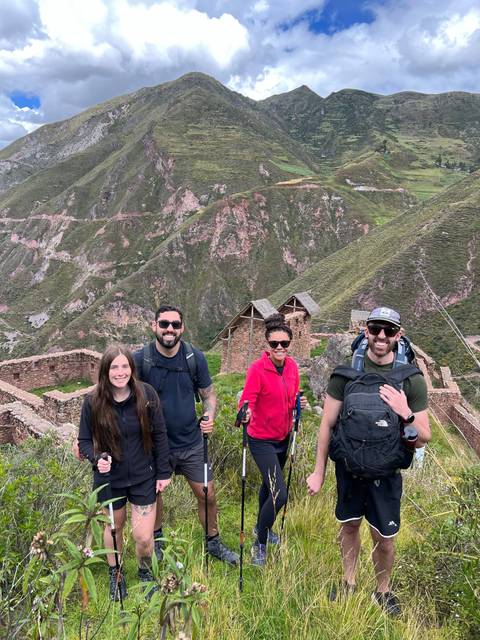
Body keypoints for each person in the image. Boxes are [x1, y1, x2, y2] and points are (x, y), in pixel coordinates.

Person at [306, 306, 430, 616]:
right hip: (348, 469)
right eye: (375, 329)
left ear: (397, 336)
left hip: (385, 473)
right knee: (349, 528)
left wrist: (406, 412)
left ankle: (382, 591)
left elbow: (424, 435)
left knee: (384, 538)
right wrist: (318, 472)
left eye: (389, 331)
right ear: (366, 331)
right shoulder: (346, 375)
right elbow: (327, 425)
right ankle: (348, 583)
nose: (381, 336)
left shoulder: (411, 381)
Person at [134, 304, 238, 566]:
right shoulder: (141, 359)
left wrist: (210, 414)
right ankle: (157, 545)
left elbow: (208, 393)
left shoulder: (194, 358)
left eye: (175, 325)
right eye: (164, 324)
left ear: (182, 328)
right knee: (155, 497)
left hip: (191, 441)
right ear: (154, 326)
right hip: (155, 445)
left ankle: (212, 542)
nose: (170, 329)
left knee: (207, 493)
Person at [78, 345, 171, 601]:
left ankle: (145, 572)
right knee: (114, 529)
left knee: (143, 536)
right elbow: (84, 441)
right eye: (114, 367)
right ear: (105, 371)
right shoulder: (93, 401)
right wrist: (97, 459)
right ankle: (115, 573)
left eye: (125, 366)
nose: (120, 372)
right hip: (109, 480)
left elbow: (160, 434)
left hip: (143, 475)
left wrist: (163, 472)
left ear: (132, 368)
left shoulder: (146, 395)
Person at [238, 313, 307, 567]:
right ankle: (261, 542)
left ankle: (260, 528)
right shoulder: (257, 369)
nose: (280, 348)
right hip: (261, 439)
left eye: (284, 344)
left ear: (290, 344)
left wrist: (297, 404)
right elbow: (248, 399)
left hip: (283, 436)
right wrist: (245, 411)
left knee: (269, 487)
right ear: (266, 345)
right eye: (274, 344)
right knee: (280, 494)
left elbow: (292, 394)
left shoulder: (292, 368)